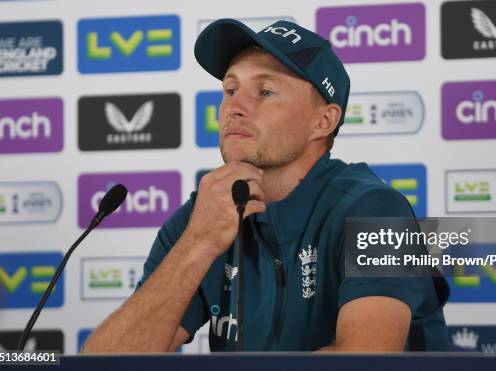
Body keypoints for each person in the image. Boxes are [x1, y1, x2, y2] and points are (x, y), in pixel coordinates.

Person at [82, 18, 448, 353]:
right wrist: (198, 243)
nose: (234, 107)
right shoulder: (201, 217)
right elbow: (105, 362)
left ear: (323, 121)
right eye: (230, 90)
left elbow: (363, 359)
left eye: (265, 92)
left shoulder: (378, 211)